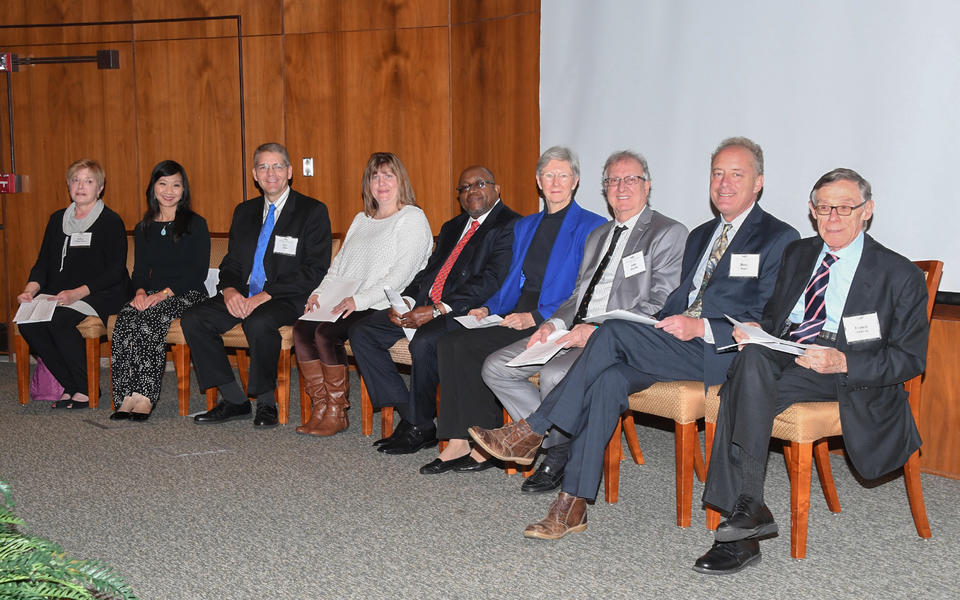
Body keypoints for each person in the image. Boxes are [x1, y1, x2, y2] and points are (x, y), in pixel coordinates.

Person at [468, 137, 800, 539]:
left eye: (736, 174)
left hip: (725, 352)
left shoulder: (779, 237)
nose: (724, 183)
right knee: (608, 381)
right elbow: (674, 300)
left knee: (612, 333)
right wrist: (660, 325)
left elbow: (770, 319)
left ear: (758, 182)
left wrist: (700, 327)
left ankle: (535, 428)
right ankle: (572, 503)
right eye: (717, 174)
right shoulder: (701, 235)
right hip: (673, 339)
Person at [692, 168, 929, 574]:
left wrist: (844, 360)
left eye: (844, 208)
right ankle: (748, 513)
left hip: (844, 365)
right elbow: (774, 316)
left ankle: (740, 531)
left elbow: (910, 358)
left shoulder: (899, 273)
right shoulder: (799, 254)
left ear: (867, 211)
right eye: (823, 208)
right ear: (811, 210)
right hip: (788, 346)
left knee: (741, 390)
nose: (832, 217)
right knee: (748, 360)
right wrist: (757, 332)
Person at [477, 150, 687, 490]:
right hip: (573, 330)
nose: (621, 187)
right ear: (604, 189)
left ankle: (554, 459)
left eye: (630, 179)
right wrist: (553, 324)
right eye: (613, 180)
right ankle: (555, 442)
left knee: (554, 374)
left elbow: (659, 303)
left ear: (646, 186)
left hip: (619, 338)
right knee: (496, 367)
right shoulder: (598, 235)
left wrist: (598, 331)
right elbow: (576, 295)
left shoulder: (667, 232)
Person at [421, 147, 606, 475]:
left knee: (466, 347)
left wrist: (536, 316)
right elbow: (512, 279)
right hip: (516, 312)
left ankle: (483, 445)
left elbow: (582, 289)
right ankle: (460, 440)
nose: (556, 182)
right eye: (548, 175)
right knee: (450, 342)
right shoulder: (526, 226)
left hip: (554, 317)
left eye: (563, 175)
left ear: (575, 181)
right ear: (538, 181)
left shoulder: (592, 225)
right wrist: (488, 306)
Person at [349, 165, 520, 454]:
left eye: (479, 184)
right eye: (464, 188)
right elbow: (428, 273)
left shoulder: (511, 225)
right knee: (362, 332)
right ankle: (416, 419)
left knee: (427, 341)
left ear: (497, 189)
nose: (471, 191)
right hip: (427, 305)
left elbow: (491, 281)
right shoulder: (452, 227)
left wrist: (439, 309)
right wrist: (406, 301)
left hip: (467, 310)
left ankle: (418, 423)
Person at [183, 143, 331, 429]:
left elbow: (314, 270)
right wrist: (229, 290)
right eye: (263, 167)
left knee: (258, 321)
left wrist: (264, 296)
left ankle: (266, 402)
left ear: (289, 171)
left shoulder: (311, 211)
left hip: (287, 296)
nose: (270, 173)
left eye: (277, 166)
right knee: (195, 318)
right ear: (254, 174)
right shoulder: (244, 211)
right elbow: (233, 262)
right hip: (245, 293)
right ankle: (234, 399)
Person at [293, 152, 432, 437]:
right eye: (374, 176)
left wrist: (359, 300)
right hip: (348, 299)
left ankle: (337, 411)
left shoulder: (412, 218)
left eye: (388, 175)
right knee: (302, 328)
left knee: (325, 334)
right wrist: (318, 293)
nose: (381, 182)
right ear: (367, 183)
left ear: (400, 180)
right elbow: (338, 266)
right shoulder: (361, 219)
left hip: (382, 304)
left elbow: (401, 275)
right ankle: (321, 406)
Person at [17, 159, 131, 409]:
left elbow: (115, 271)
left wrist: (76, 294)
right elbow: (43, 263)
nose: (81, 186)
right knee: (28, 322)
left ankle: (87, 388)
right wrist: (30, 290)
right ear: (68, 184)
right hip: (60, 293)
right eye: (76, 180)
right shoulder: (57, 219)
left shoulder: (110, 221)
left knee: (58, 321)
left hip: (101, 292)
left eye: (89, 181)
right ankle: (71, 385)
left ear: (100, 188)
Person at [109, 160, 211, 421]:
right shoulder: (145, 227)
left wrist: (162, 294)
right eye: (163, 183)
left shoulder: (196, 224)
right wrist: (140, 292)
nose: (169, 190)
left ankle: (144, 396)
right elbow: (140, 270)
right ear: (153, 188)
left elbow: (197, 273)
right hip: (153, 294)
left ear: (183, 189)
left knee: (151, 318)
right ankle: (125, 396)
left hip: (187, 293)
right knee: (126, 317)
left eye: (176, 185)